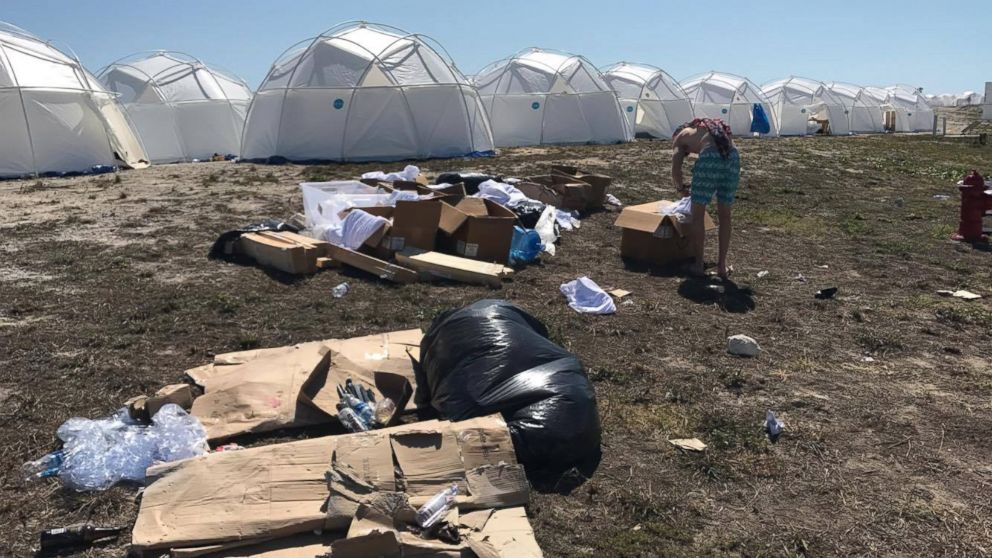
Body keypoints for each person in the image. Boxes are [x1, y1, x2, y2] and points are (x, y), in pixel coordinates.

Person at [671, 118, 740, 279]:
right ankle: (722, 265)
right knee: (725, 215)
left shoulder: (680, 136)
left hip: (710, 157)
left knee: (698, 215)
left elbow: (676, 169)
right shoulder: (708, 128)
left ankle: (698, 264)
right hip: (733, 157)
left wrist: (681, 189)